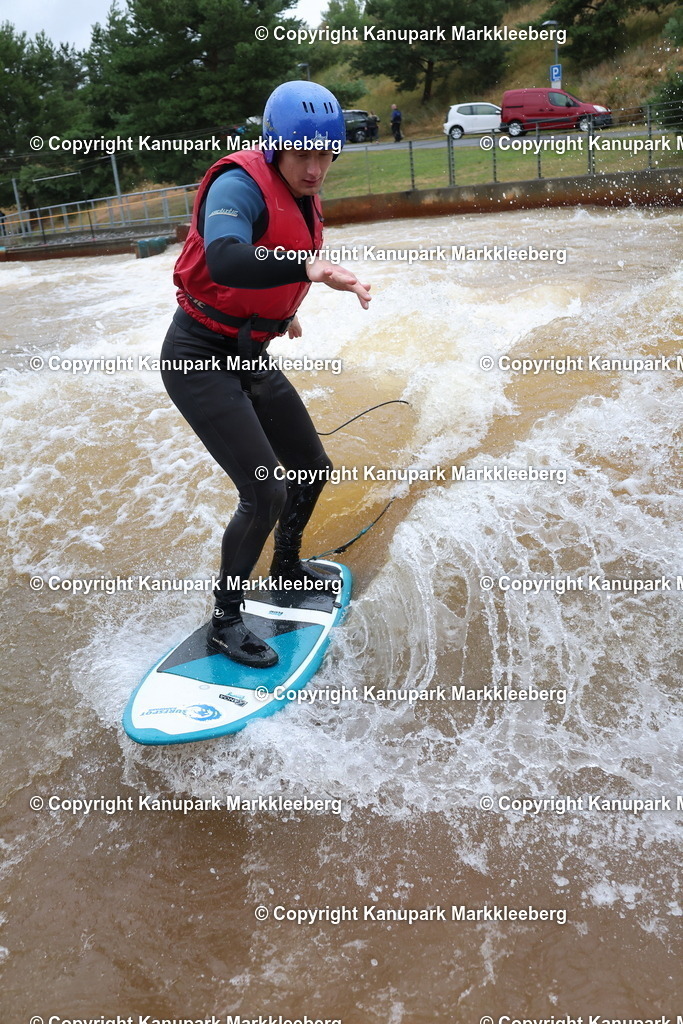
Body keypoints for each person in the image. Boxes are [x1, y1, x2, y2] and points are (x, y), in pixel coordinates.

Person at [163, 81, 371, 669]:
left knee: (310, 468)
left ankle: (285, 567)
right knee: (264, 489)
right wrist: (309, 268)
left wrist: (286, 309)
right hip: (198, 358)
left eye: (325, 153)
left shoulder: (304, 191)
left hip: (247, 352)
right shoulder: (236, 184)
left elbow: (266, 260)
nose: (314, 167)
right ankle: (226, 620)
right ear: (275, 144)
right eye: (301, 153)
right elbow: (227, 255)